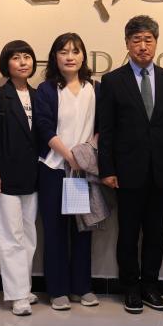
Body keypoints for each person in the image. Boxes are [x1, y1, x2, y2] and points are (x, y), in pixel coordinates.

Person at [98, 15, 163, 314]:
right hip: (126, 171)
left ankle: (151, 287)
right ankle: (130, 288)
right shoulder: (112, 81)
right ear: (127, 44)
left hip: (162, 170)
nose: (143, 46)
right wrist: (107, 168)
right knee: (129, 233)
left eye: (148, 40)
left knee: (156, 233)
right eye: (136, 40)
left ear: (156, 43)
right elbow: (106, 130)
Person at [34, 32, 99, 311]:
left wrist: (83, 156)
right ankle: (57, 289)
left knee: (83, 229)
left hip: (83, 170)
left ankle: (81, 287)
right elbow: (44, 127)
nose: (70, 57)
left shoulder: (95, 88)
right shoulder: (46, 90)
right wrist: (69, 156)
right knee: (54, 230)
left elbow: (103, 126)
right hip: (54, 169)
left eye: (75, 51)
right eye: (63, 51)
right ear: (55, 57)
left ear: (83, 56)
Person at [0, 40, 41, 316]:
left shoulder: (38, 95)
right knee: (11, 236)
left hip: (32, 177)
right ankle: (17, 296)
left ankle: (24, 288)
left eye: (27, 57)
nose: (23, 62)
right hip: (4, 178)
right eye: (16, 57)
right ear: (7, 64)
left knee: (29, 235)